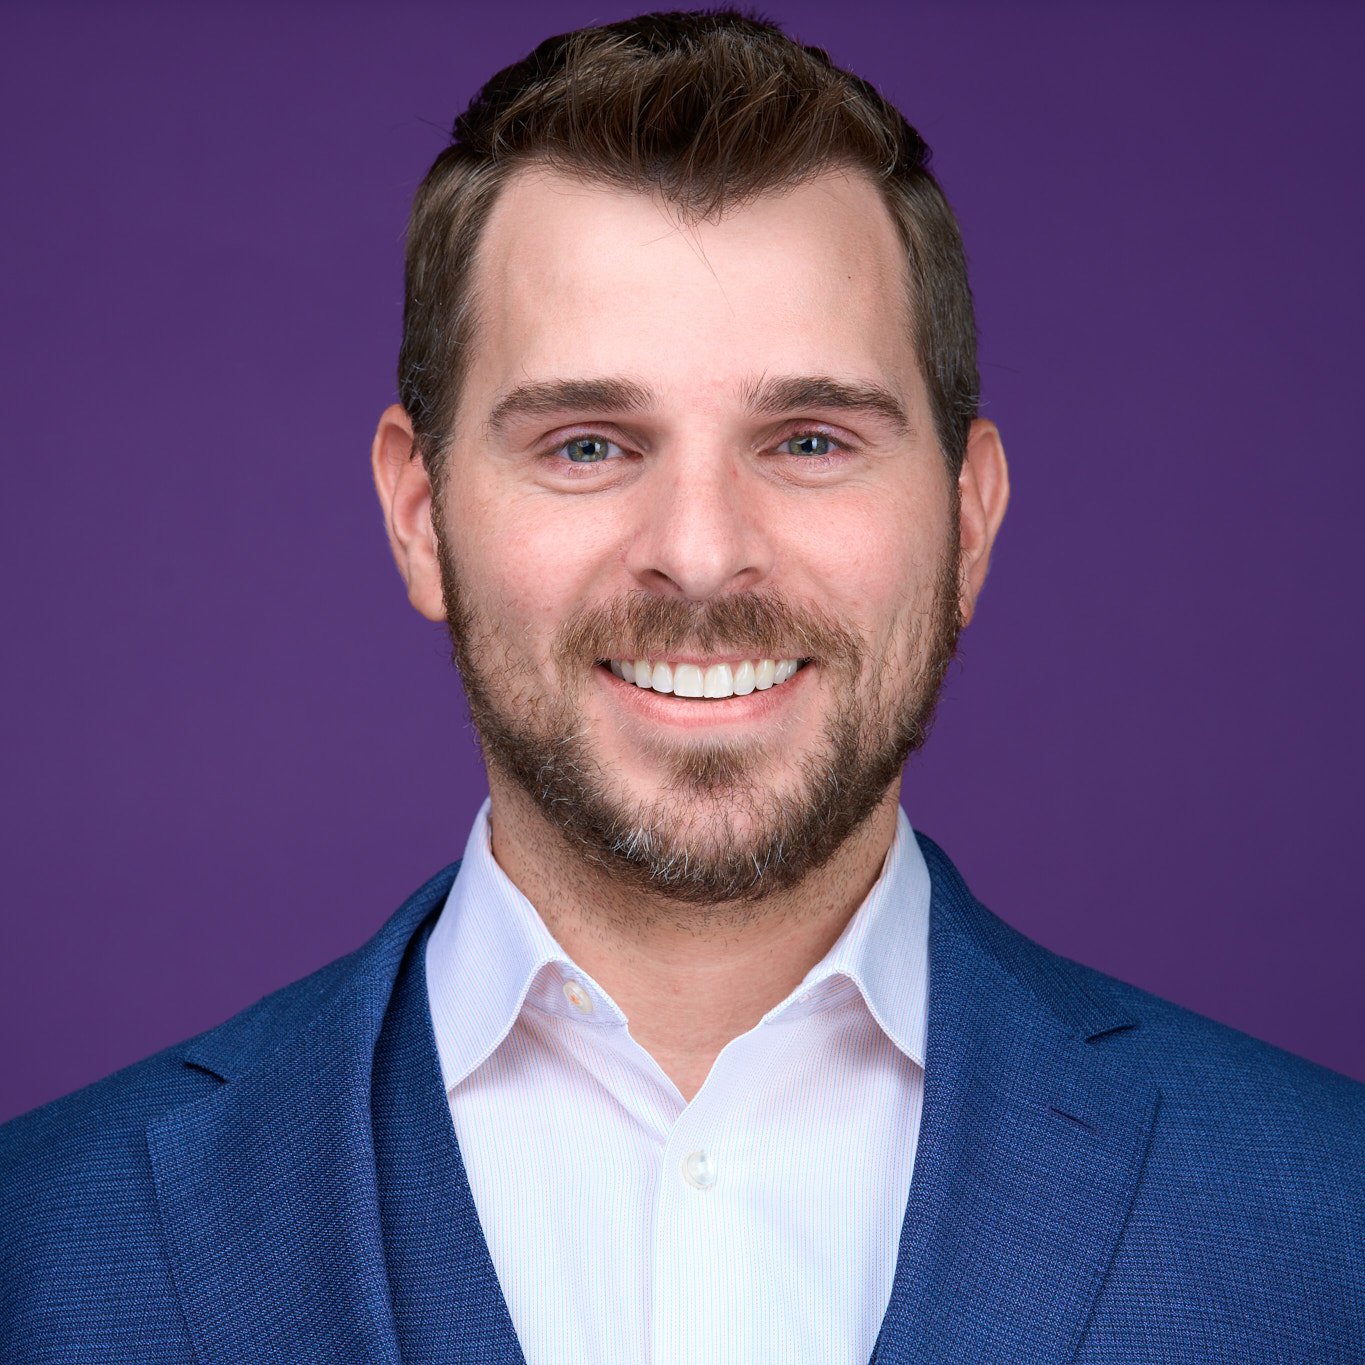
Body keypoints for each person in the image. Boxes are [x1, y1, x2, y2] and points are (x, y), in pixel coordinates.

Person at [2, 9, 1361, 1362]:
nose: (700, 554)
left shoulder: (1325, 1227)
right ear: (419, 514)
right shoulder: (43, 1245)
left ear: (971, 516)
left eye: (811, 439)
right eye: (589, 444)